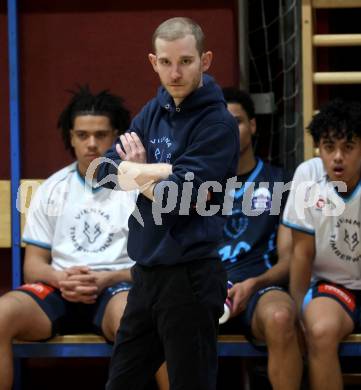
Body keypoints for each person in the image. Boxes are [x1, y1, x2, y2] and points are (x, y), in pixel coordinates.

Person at [97, 17, 240, 390]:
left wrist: (142, 170)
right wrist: (161, 171)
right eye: (165, 62)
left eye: (186, 61)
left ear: (206, 60)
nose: (175, 73)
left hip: (190, 278)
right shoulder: (152, 111)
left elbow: (176, 199)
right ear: (153, 62)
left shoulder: (218, 124)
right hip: (145, 275)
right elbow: (103, 172)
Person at [0, 85, 143, 390]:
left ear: (116, 136)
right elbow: (34, 266)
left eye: (101, 135)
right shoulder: (53, 188)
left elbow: (152, 266)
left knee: (137, 322)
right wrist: (61, 278)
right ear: (70, 137)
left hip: (116, 288)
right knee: (1, 315)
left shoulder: (136, 189)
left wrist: (106, 278)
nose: (91, 144)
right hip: (59, 289)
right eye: (82, 135)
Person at [218, 87, 302, 389]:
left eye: (237, 122)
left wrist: (256, 283)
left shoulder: (280, 182)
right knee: (164, 319)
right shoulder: (196, 184)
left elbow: (290, 259)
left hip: (259, 288)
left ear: (252, 126)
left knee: (281, 317)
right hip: (207, 290)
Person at [282, 99, 361, 390]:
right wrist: (296, 314)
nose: (338, 157)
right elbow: (302, 253)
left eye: (348, 147)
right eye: (329, 147)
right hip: (334, 288)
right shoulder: (308, 176)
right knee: (319, 329)